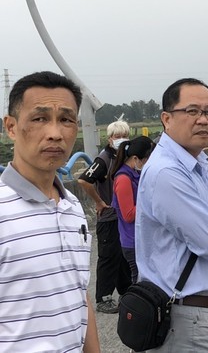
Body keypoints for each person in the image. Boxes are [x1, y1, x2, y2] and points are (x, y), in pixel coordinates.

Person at [136, 78, 208, 352]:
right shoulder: (167, 173)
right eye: (192, 111)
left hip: (201, 316)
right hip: (184, 318)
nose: (203, 120)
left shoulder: (198, 165)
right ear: (166, 119)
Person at [0, 71, 100, 352]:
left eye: (66, 120)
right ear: (10, 127)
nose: (55, 133)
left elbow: (79, 296)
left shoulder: (73, 208)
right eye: (39, 118)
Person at [78, 119, 132, 314]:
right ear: (110, 139)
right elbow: (84, 180)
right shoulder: (104, 159)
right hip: (108, 217)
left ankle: (126, 291)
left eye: (125, 136)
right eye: (118, 137)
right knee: (108, 258)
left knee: (122, 256)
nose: (122, 139)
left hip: (121, 216)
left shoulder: (123, 157)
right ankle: (103, 297)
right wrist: (99, 201)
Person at [109, 135, 155, 284]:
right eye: (148, 159)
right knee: (139, 281)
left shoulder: (135, 174)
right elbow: (128, 214)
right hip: (132, 241)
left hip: (142, 238)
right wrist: (152, 203)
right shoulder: (123, 179)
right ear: (136, 158)